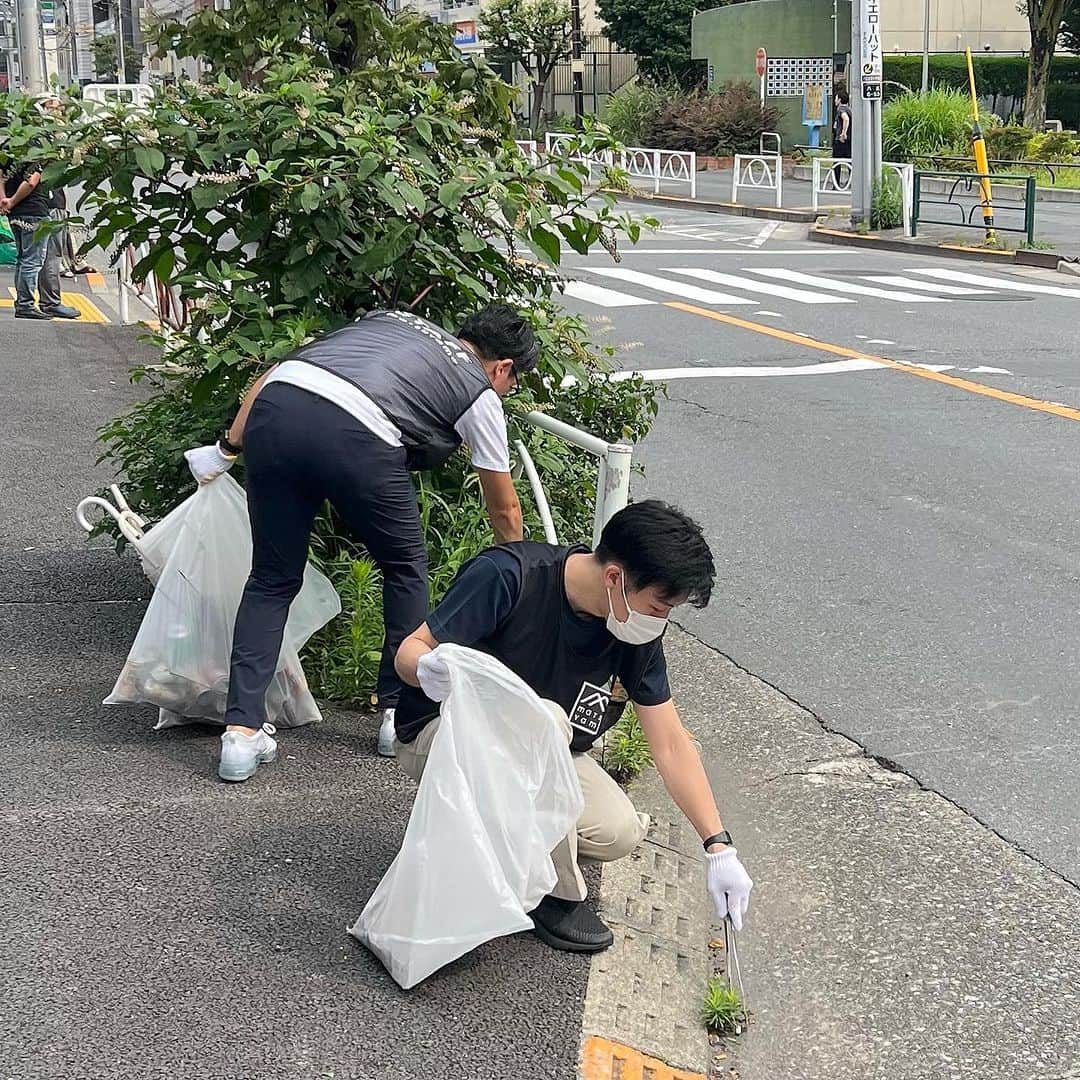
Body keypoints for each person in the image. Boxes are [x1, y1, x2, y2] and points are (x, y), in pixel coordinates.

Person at [185, 305, 534, 780]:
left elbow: (277, 371)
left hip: (278, 408)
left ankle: (241, 736)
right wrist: (516, 575)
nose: (506, 391)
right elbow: (505, 509)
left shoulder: (390, 320)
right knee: (406, 567)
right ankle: (398, 714)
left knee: (271, 577)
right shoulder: (478, 390)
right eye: (512, 383)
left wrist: (226, 448)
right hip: (359, 436)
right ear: (504, 367)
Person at [393, 500, 754, 953]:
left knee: (617, 829)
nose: (661, 620)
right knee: (547, 722)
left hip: (546, 753)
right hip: (445, 735)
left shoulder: (630, 629)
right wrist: (431, 668)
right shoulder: (510, 576)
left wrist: (718, 846)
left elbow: (670, 742)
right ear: (614, 578)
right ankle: (555, 895)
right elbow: (410, 650)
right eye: (660, 606)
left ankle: (507, 847)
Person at [0, 161, 81, 321]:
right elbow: (31, 181)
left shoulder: (8, 148)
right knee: (35, 260)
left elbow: (1, 177)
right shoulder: (39, 148)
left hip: (15, 213)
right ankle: (31, 304)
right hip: (35, 209)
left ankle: (26, 303)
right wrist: (12, 200)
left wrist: (5, 200)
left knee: (24, 259)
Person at [832, 87, 852, 185]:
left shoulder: (841, 109)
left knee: (837, 162)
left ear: (839, 100)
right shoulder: (849, 109)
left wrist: (843, 133)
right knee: (849, 162)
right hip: (849, 141)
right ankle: (852, 182)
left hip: (841, 140)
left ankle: (836, 184)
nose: (835, 100)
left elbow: (846, 119)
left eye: (836, 98)